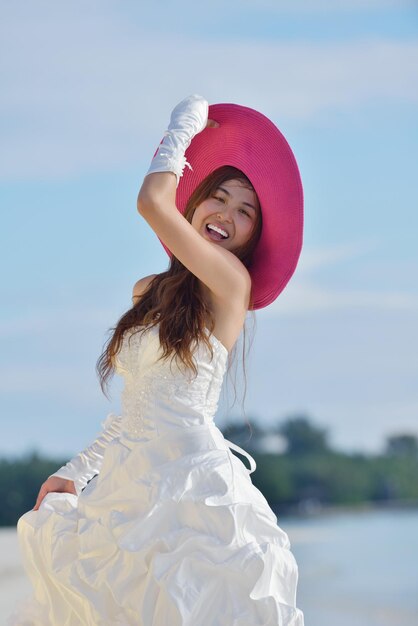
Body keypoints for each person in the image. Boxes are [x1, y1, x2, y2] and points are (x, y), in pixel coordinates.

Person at [8, 94, 305, 625]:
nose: (228, 216)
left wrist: (185, 122)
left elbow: (151, 203)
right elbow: (134, 410)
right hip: (127, 489)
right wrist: (75, 472)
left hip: (194, 494)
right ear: (197, 202)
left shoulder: (231, 285)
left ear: (253, 236)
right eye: (220, 197)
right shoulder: (150, 290)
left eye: (246, 213)